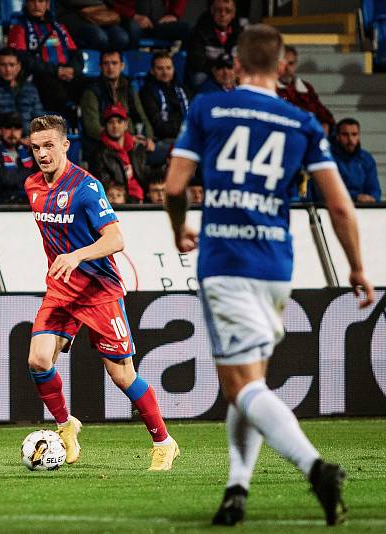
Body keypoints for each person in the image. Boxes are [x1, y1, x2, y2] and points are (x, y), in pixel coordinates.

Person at [164, 24, 375, 526]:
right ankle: (236, 489)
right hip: (277, 267)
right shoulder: (301, 121)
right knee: (250, 381)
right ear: (282, 67)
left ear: (236, 63)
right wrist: (358, 267)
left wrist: (178, 229)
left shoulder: (209, 108)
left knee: (240, 389)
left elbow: (173, 187)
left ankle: (316, 467)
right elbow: (341, 207)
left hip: (227, 263)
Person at [24, 114, 178, 470]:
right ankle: (66, 426)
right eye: (36, 148)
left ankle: (164, 443)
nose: (43, 154)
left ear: (65, 145)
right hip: (61, 290)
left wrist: (77, 256)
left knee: (122, 374)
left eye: (49, 145)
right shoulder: (32, 185)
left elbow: (116, 238)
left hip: (98, 291)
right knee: (38, 360)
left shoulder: (86, 188)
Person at [7, 0, 83, 115]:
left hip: (65, 74)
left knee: (89, 88)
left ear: (47, 5)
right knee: (55, 91)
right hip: (40, 76)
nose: (37, 5)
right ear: (26, 4)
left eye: (41, 1)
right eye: (32, 1)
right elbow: (23, 59)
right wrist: (56, 71)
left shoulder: (60, 28)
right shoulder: (19, 28)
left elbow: (76, 54)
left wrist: (73, 70)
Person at [80, 50, 156, 163]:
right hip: (103, 145)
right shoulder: (91, 91)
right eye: (106, 63)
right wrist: (122, 139)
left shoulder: (129, 88)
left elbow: (142, 116)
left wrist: (149, 138)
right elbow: (92, 127)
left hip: (132, 141)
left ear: (122, 66)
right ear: (100, 67)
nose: (110, 67)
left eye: (114, 63)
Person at [0, 47, 45, 139]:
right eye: (3, 65)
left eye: (12, 65)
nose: (8, 69)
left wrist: (33, 137)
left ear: (19, 66)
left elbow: (40, 119)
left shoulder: (30, 89)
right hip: (0, 142)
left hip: (30, 140)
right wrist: (13, 138)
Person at [88, 102, 145, 203]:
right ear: (105, 126)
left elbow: (144, 176)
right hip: (119, 200)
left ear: (126, 124)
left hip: (143, 198)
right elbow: (103, 184)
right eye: (110, 122)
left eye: (119, 121)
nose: (115, 126)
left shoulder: (136, 148)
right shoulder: (98, 152)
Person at [0, 111, 38, 203]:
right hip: (1, 204)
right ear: (0, 130)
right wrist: (30, 172)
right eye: (8, 127)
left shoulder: (29, 151)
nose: (13, 132)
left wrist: (38, 149)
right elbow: (4, 180)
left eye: (17, 128)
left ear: (21, 131)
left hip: (28, 203)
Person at [140, 52, 189, 158]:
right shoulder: (147, 92)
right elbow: (158, 127)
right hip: (163, 140)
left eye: (168, 68)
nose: (165, 72)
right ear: (152, 71)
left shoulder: (182, 89)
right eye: (160, 68)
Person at [277, 45, 334, 134]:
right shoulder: (270, 88)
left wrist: (325, 124)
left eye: (291, 64)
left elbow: (322, 112)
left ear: (296, 65)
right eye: (283, 64)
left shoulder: (306, 87)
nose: (287, 69)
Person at [186, 0, 241, 89]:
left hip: (230, 71)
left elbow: (242, 60)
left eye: (227, 11)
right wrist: (216, 70)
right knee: (198, 78)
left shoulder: (240, 33)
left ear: (233, 14)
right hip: (207, 70)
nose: (223, 14)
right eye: (219, 10)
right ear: (212, 11)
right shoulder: (199, 31)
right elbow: (197, 62)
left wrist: (229, 72)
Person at [331, 118, 381, 203]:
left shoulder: (366, 159)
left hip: (364, 208)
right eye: (345, 134)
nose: (350, 139)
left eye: (354, 134)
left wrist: (372, 198)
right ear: (337, 137)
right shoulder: (329, 159)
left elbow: (374, 189)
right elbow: (329, 190)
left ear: (359, 136)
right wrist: (356, 197)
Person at [55, 0, 131, 52]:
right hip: (74, 15)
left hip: (100, 13)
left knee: (121, 37)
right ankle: (97, 65)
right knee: (100, 37)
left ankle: (111, 64)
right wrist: (97, 3)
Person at [117, 0, 190, 49]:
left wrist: (174, 15)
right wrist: (133, 16)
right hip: (132, 21)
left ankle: (176, 65)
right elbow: (113, 3)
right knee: (132, 28)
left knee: (189, 28)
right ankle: (133, 63)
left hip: (161, 22)